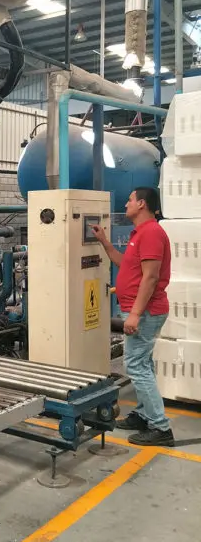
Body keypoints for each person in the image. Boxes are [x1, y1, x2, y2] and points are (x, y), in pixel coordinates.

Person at [92, 187, 173, 447]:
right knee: (143, 364)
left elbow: (150, 277)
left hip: (146, 311)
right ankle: (144, 415)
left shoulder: (151, 233)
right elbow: (124, 264)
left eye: (129, 200)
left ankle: (160, 427)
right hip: (142, 310)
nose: (126, 204)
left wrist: (135, 314)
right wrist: (104, 242)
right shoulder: (140, 233)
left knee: (136, 366)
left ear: (141, 204)